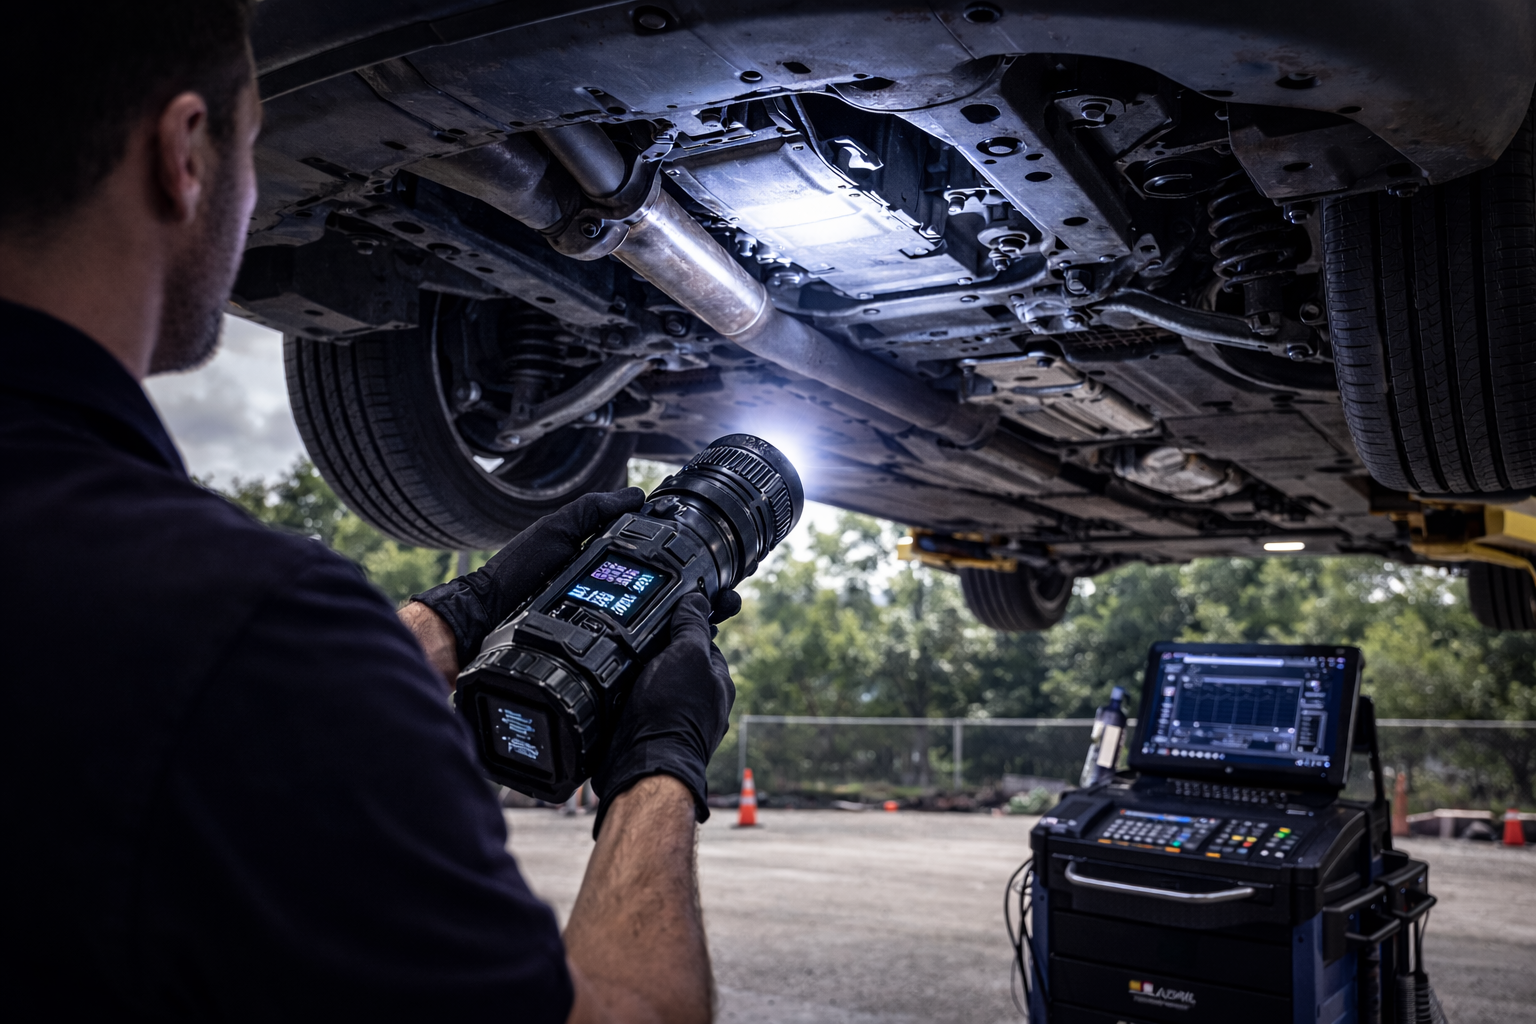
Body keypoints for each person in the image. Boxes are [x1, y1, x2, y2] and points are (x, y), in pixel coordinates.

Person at [0, 2, 736, 1020]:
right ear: (184, 155)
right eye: (252, 147)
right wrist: (658, 766)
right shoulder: (241, 632)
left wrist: (460, 615)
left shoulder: (183, 628)